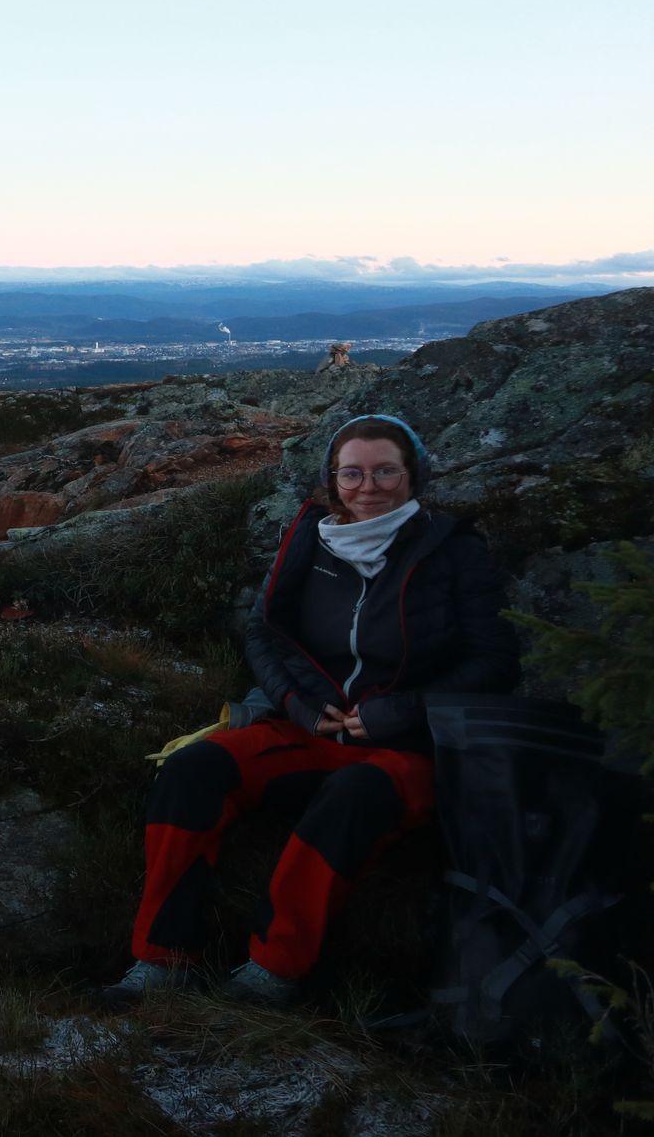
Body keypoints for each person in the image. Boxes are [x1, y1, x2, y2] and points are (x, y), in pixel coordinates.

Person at [106, 414, 520, 1006]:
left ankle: (274, 971)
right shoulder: (311, 537)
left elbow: (495, 661)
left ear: (413, 475)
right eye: (352, 473)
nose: (368, 486)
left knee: (354, 795)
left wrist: (399, 712)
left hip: (410, 746)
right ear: (333, 478)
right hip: (310, 727)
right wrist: (298, 704)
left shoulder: (452, 550)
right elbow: (264, 632)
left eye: (385, 471)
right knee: (192, 770)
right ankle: (163, 962)